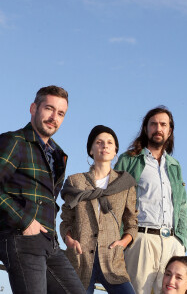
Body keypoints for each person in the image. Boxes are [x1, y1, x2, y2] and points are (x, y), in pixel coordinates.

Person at [0, 86, 86, 294]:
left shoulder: (58, 155)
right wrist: (25, 220)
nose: (53, 117)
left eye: (60, 113)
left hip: (49, 241)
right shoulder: (14, 141)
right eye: (49, 108)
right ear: (33, 108)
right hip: (21, 237)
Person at [114, 106, 187, 294]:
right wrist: (122, 238)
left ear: (169, 130)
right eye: (153, 124)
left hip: (171, 242)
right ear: (146, 128)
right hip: (141, 239)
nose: (158, 128)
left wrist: (181, 241)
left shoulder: (174, 166)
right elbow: (114, 201)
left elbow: (181, 206)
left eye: (163, 124)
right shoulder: (129, 160)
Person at [60, 125, 138, 294]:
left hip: (112, 259)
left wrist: (122, 243)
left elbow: (132, 222)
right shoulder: (75, 182)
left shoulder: (124, 184)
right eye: (99, 142)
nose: (105, 146)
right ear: (91, 149)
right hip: (80, 258)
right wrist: (69, 241)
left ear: (115, 150)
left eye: (110, 142)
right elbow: (66, 219)